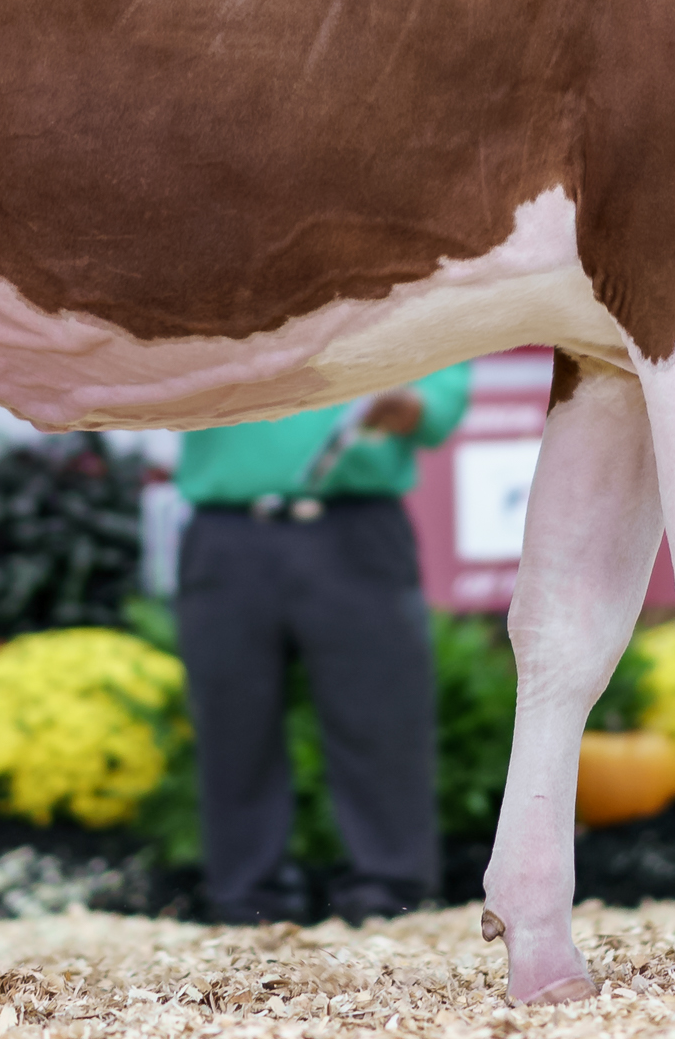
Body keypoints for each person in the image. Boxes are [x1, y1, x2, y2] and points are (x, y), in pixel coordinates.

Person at [172, 366, 472, 926]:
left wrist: (412, 402)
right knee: (231, 726)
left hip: (355, 526)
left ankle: (391, 901)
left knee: (381, 722)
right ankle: (246, 904)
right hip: (227, 531)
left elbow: (442, 388)